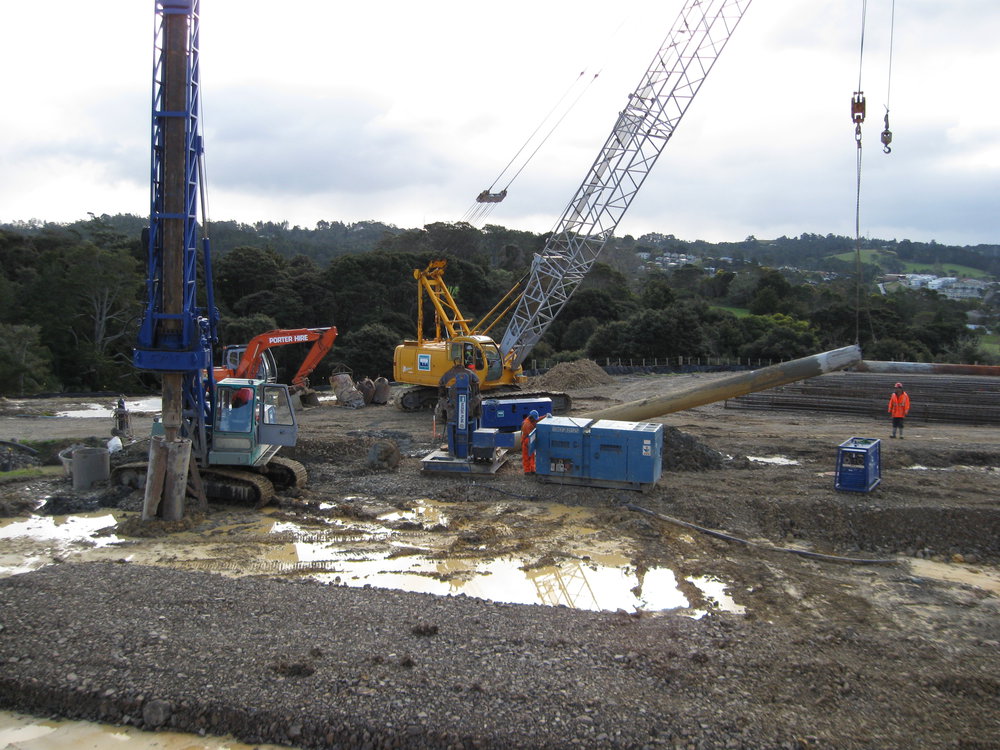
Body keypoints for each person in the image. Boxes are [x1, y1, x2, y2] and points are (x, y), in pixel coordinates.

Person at [520, 409, 542, 474]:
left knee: (532, 456)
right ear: (531, 417)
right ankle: (527, 470)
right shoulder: (527, 424)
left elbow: (537, 420)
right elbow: (533, 433)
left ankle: (532, 469)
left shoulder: (531, 419)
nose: (535, 420)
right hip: (526, 442)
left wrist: (545, 416)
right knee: (526, 457)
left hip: (530, 440)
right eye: (534, 419)